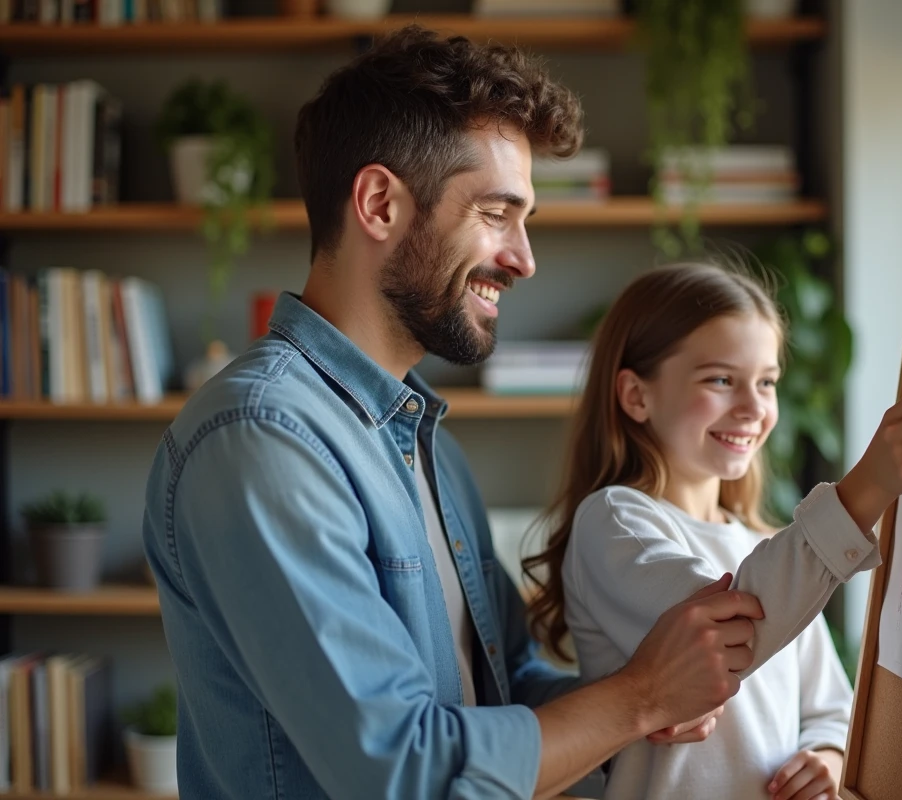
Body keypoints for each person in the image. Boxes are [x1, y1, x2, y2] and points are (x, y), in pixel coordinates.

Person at [141, 27, 768, 799]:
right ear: (379, 204)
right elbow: (401, 770)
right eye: (498, 212)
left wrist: (658, 705)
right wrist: (638, 697)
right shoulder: (262, 440)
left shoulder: (424, 443)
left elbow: (506, 683)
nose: (525, 258)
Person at [523, 263, 902, 800]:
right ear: (636, 396)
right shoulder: (614, 521)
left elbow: (830, 706)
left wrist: (827, 756)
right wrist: (867, 488)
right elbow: (725, 633)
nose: (755, 408)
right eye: (720, 380)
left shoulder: (765, 548)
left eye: (766, 382)